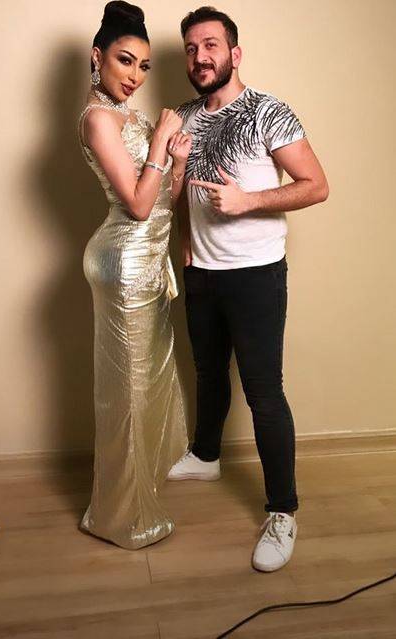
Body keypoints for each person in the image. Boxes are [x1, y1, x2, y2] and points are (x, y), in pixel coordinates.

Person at [168, 6, 329, 571]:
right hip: (202, 273)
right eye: (191, 48)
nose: (200, 57)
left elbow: (316, 185)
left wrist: (248, 201)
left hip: (256, 274)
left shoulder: (268, 112)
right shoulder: (183, 117)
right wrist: (185, 244)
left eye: (211, 45)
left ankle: (283, 511)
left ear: (235, 53)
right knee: (209, 372)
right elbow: (178, 192)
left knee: (263, 392)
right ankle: (206, 454)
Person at [78, 1, 191, 549]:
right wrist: (162, 139)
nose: (135, 76)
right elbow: (140, 207)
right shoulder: (98, 119)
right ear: (97, 57)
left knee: (143, 386)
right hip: (123, 263)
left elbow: (166, 197)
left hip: (148, 263)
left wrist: (178, 156)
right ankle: (120, 517)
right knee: (126, 392)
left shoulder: (136, 118)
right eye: (125, 60)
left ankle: (137, 496)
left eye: (144, 66)